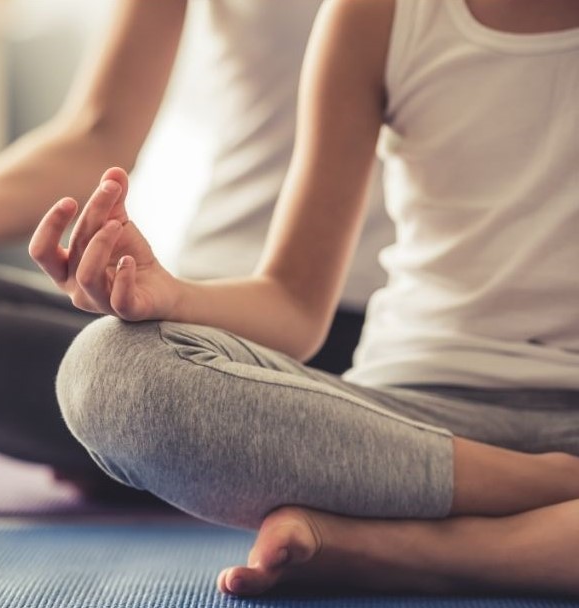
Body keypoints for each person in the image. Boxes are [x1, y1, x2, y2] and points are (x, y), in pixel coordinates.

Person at [29, 0, 579, 597]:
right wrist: (170, 293)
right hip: (405, 420)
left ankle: (410, 549)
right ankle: (544, 494)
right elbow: (292, 306)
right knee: (111, 371)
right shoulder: (375, 14)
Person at [0, 2, 392, 498]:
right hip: (197, 320)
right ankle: (186, 462)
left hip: (377, 339)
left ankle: (164, 463)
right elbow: (99, 130)